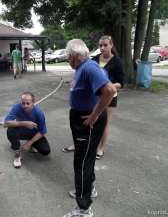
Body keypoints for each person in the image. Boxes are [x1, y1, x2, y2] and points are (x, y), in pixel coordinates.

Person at [63, 39, 116, 217]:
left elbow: (109, 90)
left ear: (71, 56)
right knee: (87, 157)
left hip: (86, 120)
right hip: (80, 117)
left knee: (82, 162)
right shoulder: (84, 67)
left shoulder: (89, 68)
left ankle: (84, 208)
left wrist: (94, 114)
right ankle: (89, 189)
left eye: (67, 56)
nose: (67, 59)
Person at [62, 35, 125, 160]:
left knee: (104, 123)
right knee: (86, 136)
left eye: (105, 45)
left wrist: (102, 85)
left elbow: (118, 85)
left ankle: (100, 149)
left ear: (111, 45)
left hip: (108, 96)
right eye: (100, 45)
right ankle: (80, 145)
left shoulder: (117, 61)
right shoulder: (95, 59)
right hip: (95, 94)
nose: (102, 48)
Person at [3, 92, 51, 168]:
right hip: (22, 131)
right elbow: (5, 124)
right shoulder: (17, 107)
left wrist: (29, 143)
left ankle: (31, 144)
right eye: (23, 103)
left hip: (33, 134)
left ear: (33, 102)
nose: (25, 106)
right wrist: (24, 123)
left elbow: (42, 132)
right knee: (11, 130)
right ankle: (17, 153)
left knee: (45, 151)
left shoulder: (38, 112)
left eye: (28, 103)